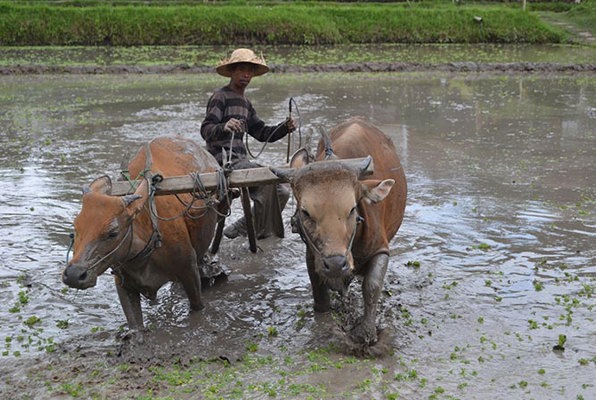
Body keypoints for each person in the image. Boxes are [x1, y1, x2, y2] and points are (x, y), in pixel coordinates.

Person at [200, 48, 297, 240]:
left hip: (241, 161)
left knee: (282, 192)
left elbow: (261, 133)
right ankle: (264, 234)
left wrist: (284, 127)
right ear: (232, 72)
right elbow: (206, 130)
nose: (246, 75)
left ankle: (242, 226)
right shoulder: (221, 97)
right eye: (241, 70)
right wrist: (224, 126)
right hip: (223, 161)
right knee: (266, 182)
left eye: (250, 71)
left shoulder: (245, 103)